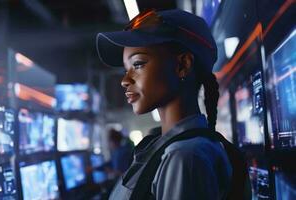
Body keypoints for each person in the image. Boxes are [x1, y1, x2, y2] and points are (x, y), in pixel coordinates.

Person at [96, 9, 250, 200]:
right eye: (126, 69)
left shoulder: (185, 157)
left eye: (137, 64)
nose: (124, 80)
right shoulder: (170, 147)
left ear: (182, 65)